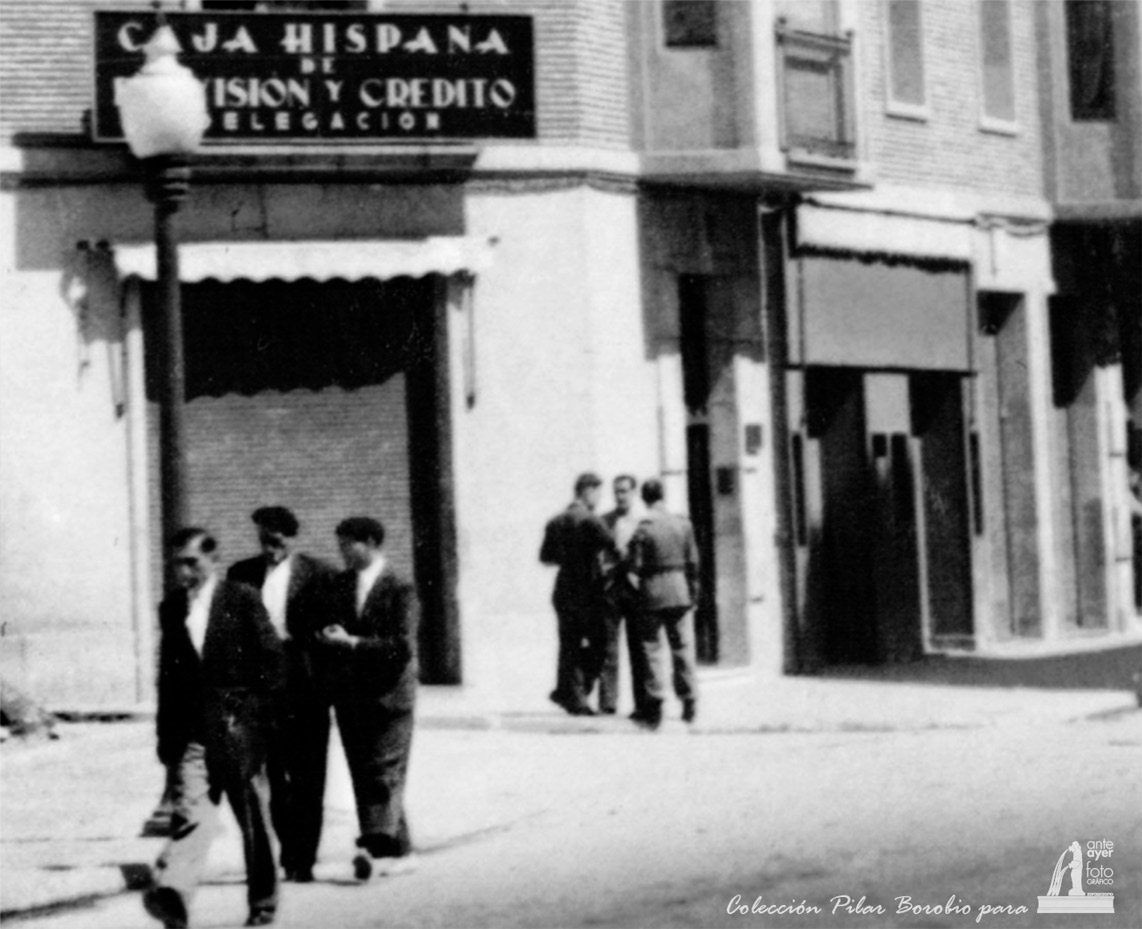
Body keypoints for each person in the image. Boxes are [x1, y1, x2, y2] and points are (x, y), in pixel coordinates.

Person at [144, 529, 285, 929]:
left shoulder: (241, 598)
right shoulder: (172, 607)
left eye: (192, 562)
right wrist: (166, 741)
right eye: (177, 564)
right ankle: (174, 894)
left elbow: (272, 663)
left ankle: (263, 901)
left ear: (212, 559)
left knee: (253, 821)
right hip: (192, 735)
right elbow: (168, 678)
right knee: (193, 814)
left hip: (238, 731)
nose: (184, 572)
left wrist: (257, 721)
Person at [227, 506, 336, 884]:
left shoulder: (319, 574)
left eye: (275, 540)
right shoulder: (241, 574)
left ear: (291, 538)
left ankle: (302, 858)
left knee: (308, 773)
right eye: (263, 540)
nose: (269, 548)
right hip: (262, 683)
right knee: (274, 774)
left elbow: (331, 630)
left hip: (305, 682)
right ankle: (288, 849)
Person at [315, 517, 419, 881]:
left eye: (348, 544)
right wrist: (331, 636)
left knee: (383, 772)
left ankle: (374, 848)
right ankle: (401, 850)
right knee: (365, 773)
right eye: (340, 545)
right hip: (353, 694)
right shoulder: (342, 584)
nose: (342, 552)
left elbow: (402, 646)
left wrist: (353, 643)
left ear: (371, 542)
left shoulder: (400, 587)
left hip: (391, 695)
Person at [539, 472, 617, 716]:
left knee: (569, 644)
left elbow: (546, 558)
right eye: (597, 493)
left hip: (564, 589)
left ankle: (570, 693)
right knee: (601, 643)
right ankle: (577, 694)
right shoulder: (592, 521)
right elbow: (613, 547)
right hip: (589, 589)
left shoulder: (555, 521)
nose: (599, 499)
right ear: (587, 491)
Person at [628, 478, 700, 730]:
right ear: (663, 496)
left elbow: (634, 565)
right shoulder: (683, 524)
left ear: (644, 498)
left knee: (652, 648)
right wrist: (693, 593)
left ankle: (656, 702)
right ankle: (689, 700)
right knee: (682, 647)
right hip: (679, 590)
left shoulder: (644, 528)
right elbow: (693, 563)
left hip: (652, 591)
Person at [598, 475, 646, 716]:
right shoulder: (604, 521)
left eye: (625, 491)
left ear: (634, 493)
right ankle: (608, 703)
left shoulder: (643, 521)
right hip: (611, 589)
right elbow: (596, 554)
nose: (620, 496)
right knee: (608, 647)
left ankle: (642, 703)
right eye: (616, 491)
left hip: (635, 589)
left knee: (638, 647)